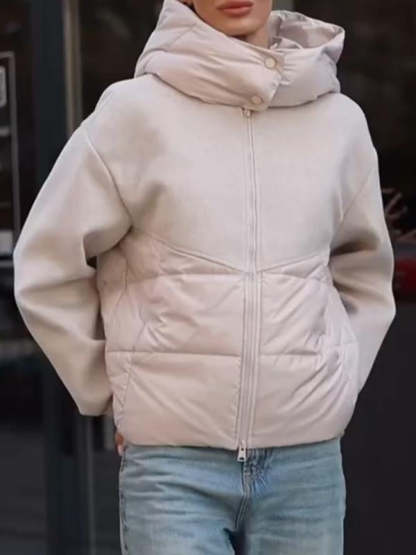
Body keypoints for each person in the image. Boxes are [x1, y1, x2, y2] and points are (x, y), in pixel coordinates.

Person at [13, 0, 396, 553]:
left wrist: (335, 380)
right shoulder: (132, 114)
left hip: (306, 467)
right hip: (174, 469)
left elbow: (365, 268)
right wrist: (114, 391)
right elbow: (47, 264)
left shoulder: (340, 123)